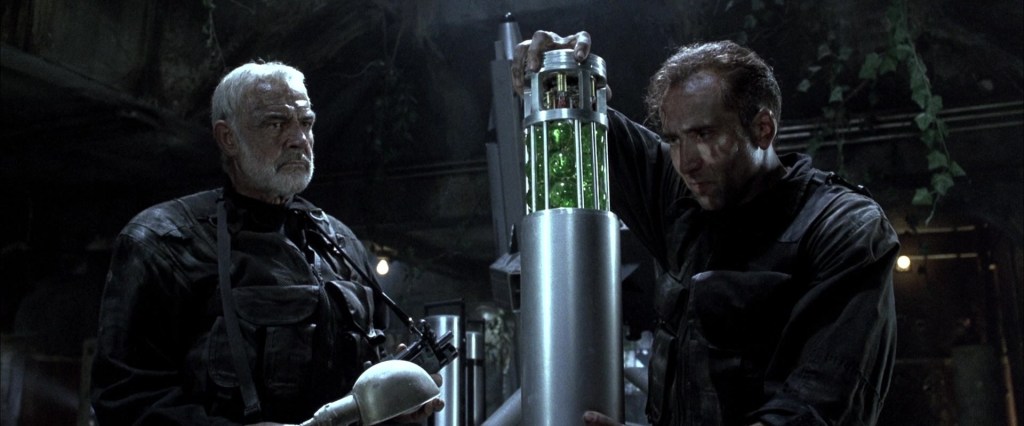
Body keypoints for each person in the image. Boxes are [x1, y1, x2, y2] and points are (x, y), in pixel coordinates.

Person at [513, 32, 899, 426]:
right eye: (673, 139)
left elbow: (819, 409)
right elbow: (585, 131)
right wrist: (556, 72)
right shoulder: (685, 199)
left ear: (762, 129)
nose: (686, 162)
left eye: (704, 135)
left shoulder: (842, 227)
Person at [92, 61, 443, 425]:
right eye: (276, 123)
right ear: (228, 138)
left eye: (306, 123)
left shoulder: (341, 245)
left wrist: (392, 404)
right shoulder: (163, 241)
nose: (298, 139)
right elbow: (125, 400)